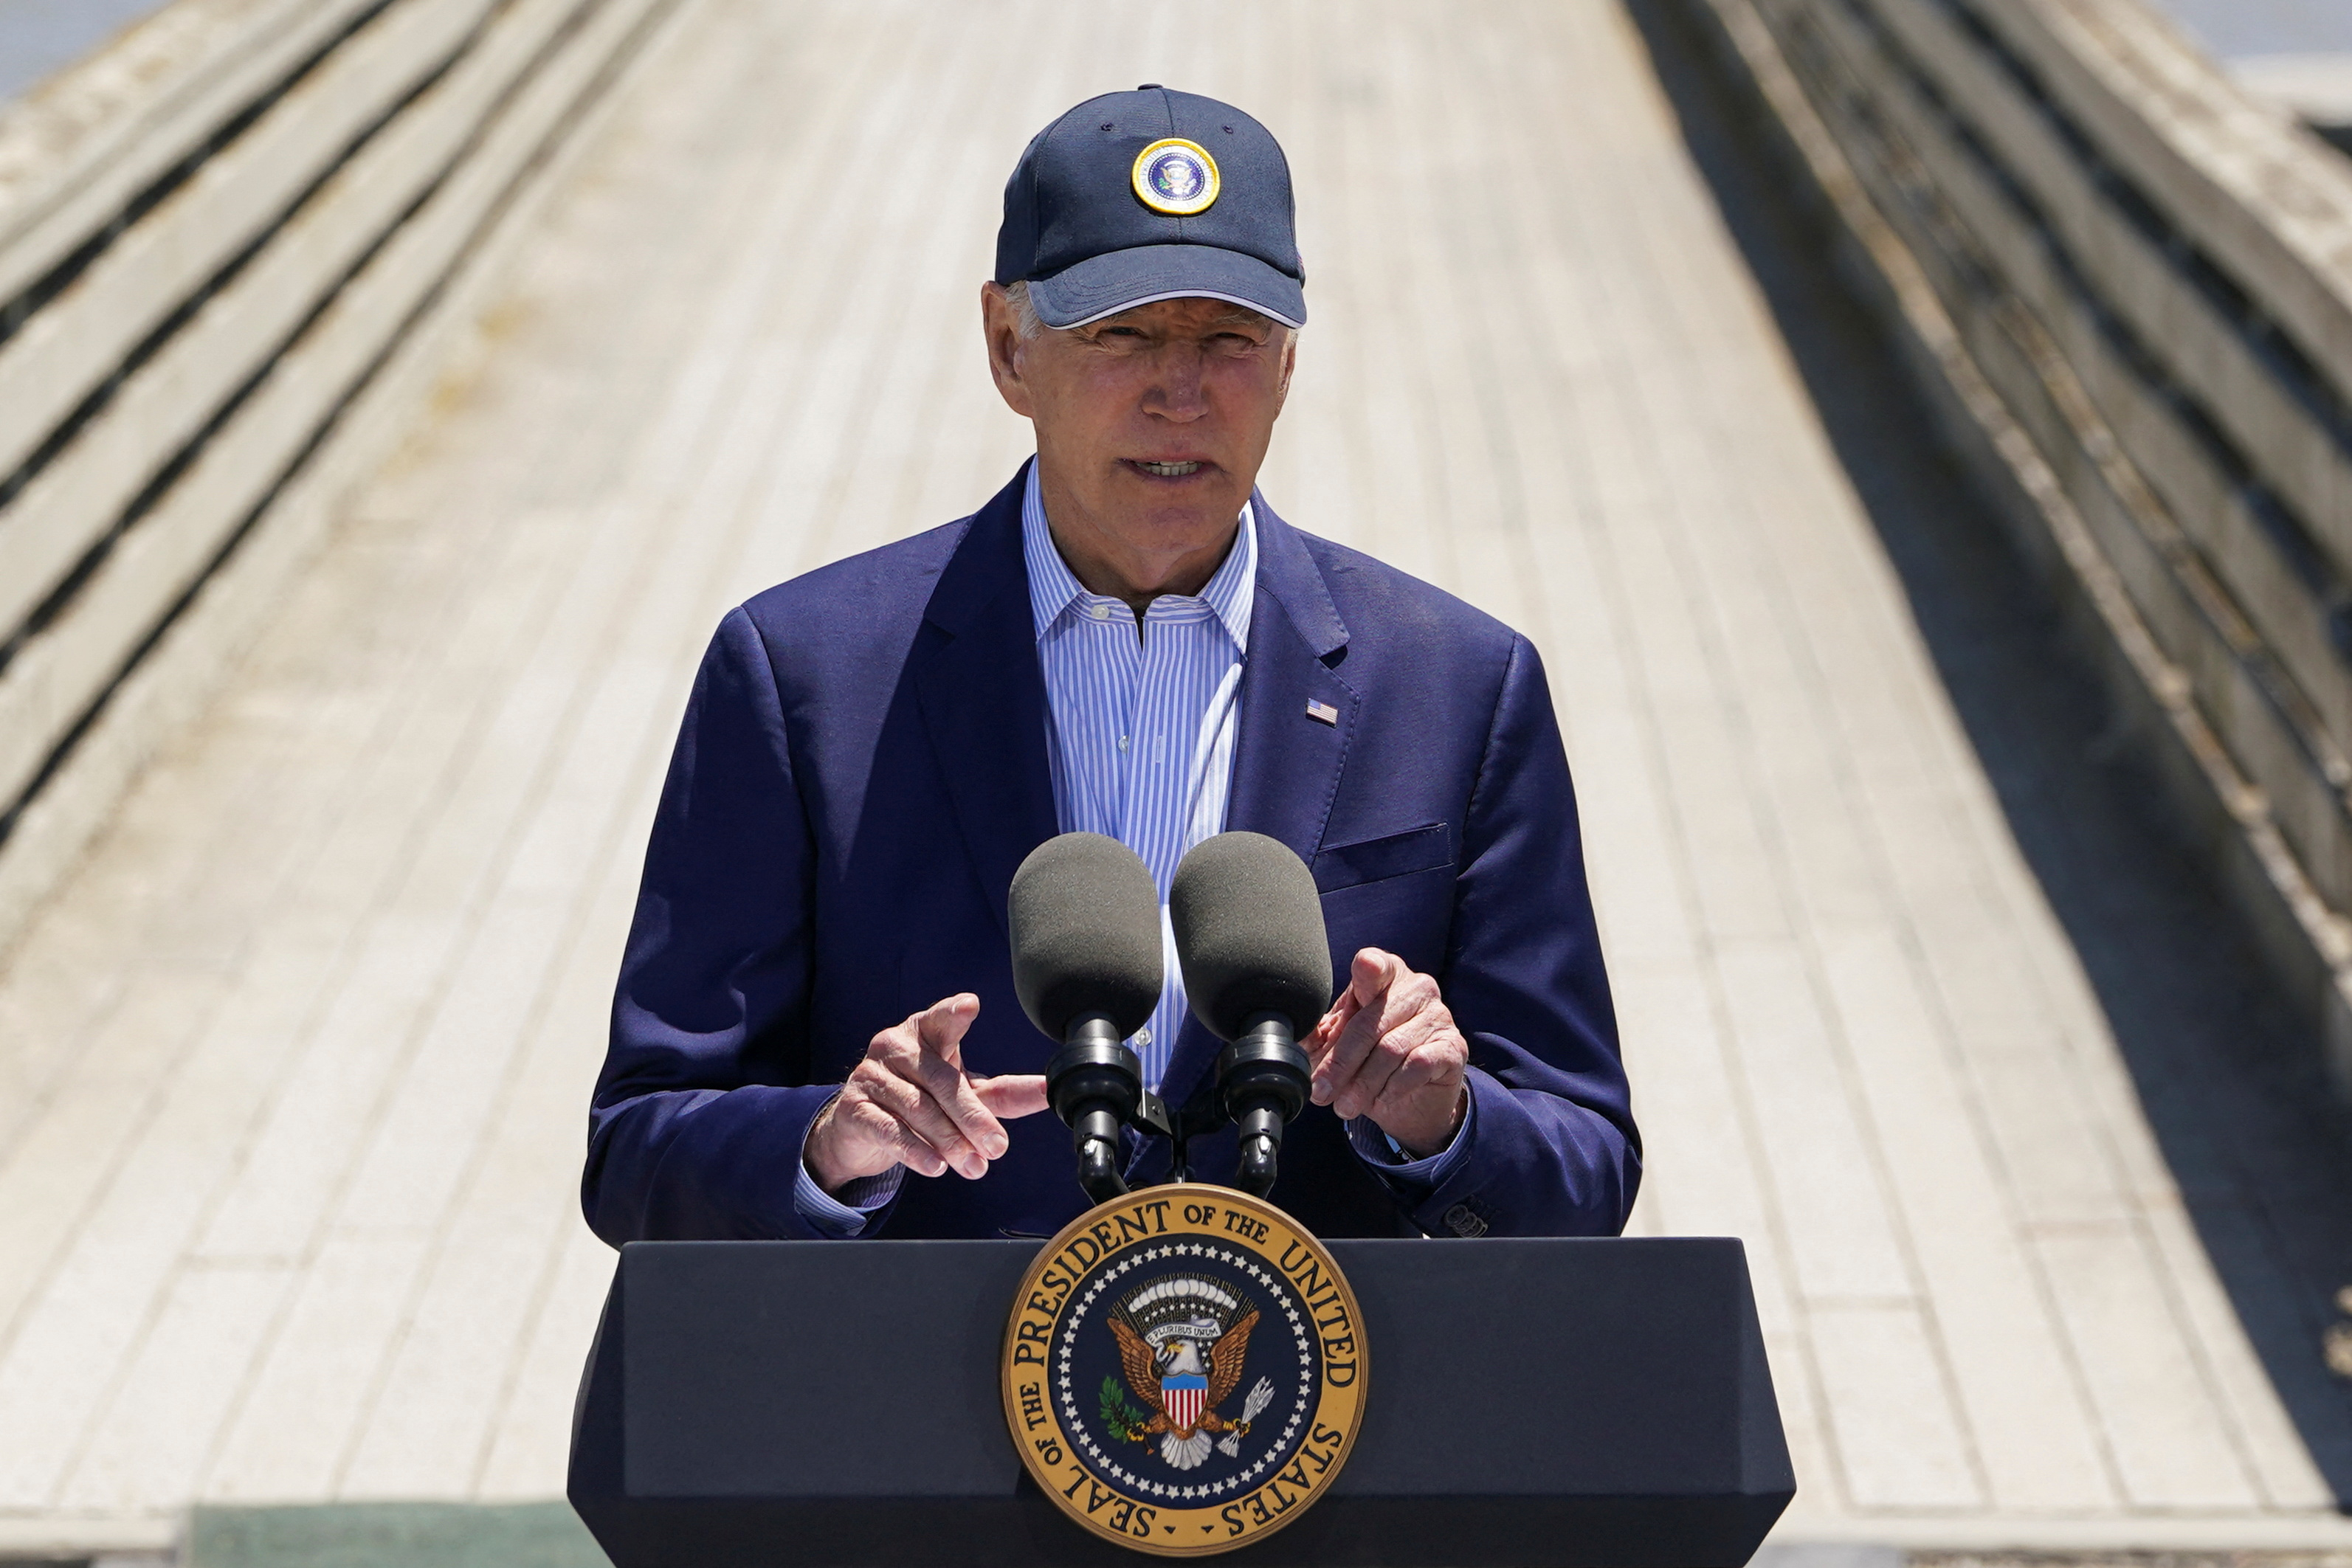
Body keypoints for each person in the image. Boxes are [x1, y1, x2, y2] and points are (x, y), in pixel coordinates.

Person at [582, 86, 1638, 1244]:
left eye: (1228, 338)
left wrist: (1446, 1124)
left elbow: (1587, 1163)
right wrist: (831, 1147)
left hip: (1333, 1413)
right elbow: (641, 1145)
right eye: (1119, 334)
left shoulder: (1459, 689)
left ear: (1288, 364)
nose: (1177, 391)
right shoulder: (800, 679)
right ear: (1006, 347)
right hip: (919, 1410)